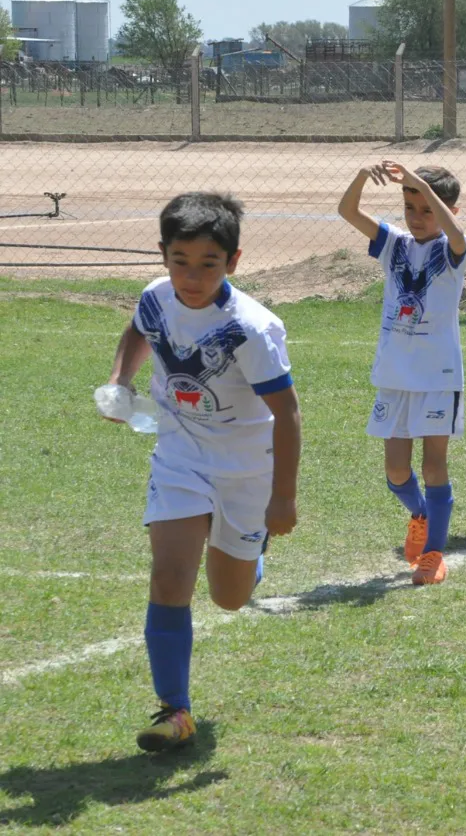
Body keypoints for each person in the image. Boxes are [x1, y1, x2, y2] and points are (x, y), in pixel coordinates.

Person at [103, 193, 301, 751]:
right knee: (169, 578)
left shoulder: (251, 329)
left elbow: (286, 412)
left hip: (247, 470)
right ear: (162, 255)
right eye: (180, 261)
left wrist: (281, 500)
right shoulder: (155, 299)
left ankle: (252, 552)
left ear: (233, 262)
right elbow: (139, 331)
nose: (192, 277)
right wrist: (121, 380)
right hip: (180, 454)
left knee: (230, 598)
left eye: (208, 264)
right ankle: (175, 710)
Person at [338, 160, 466, 585]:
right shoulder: (393, 244)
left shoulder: (453, 249)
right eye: (410, 207)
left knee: (434, 466)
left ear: (447, 208)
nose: (416, 217)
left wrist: (421, 186)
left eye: (426, 208)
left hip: (437, 376)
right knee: (396, 470)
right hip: (395, 375)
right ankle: (421, 515)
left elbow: (456, 233)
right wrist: (362, 176)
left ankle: (434, 554)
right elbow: (348, 211)